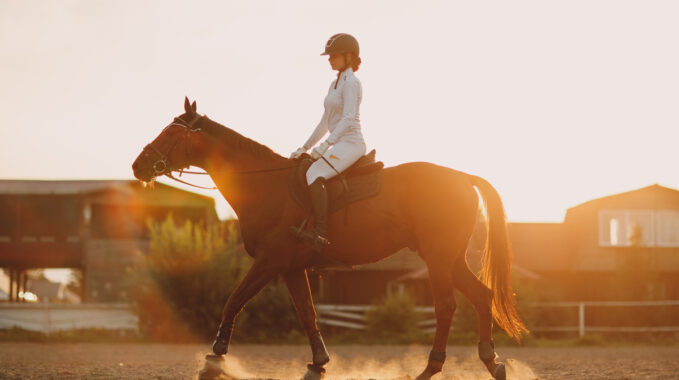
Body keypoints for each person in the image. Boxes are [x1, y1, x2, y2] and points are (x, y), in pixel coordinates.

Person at [290, 33, 367, 253]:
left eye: (333, 55)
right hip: (339, 142)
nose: (329, 59)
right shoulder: (334, 84)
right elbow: (325, 121)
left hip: (351, 144)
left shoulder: (352, 83)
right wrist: (304, 147)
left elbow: (349, 117)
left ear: (348, 56)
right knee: (306, 167)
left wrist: (325, 145)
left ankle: (321, 233)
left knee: (314, 174)